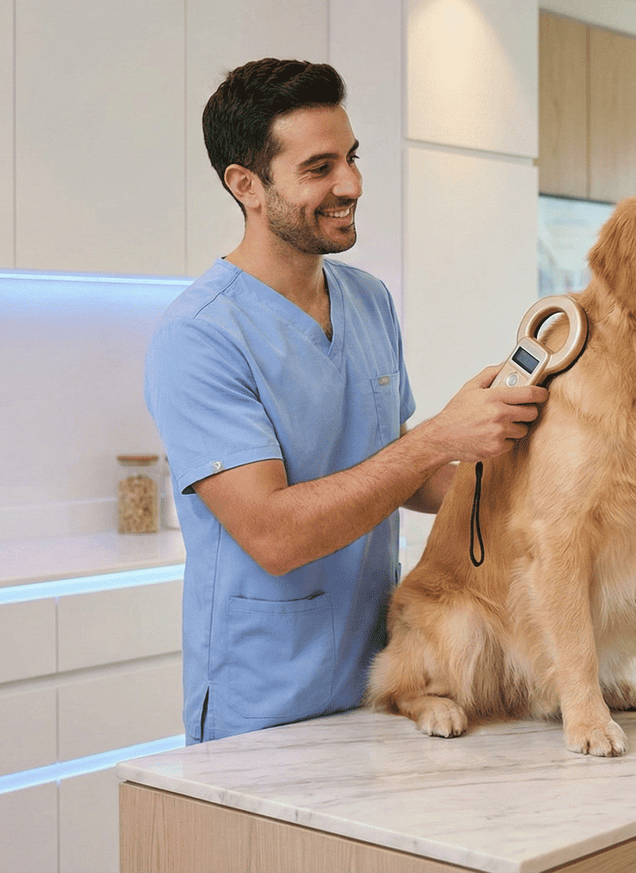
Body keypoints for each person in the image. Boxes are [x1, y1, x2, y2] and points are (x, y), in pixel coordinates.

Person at [144, 58, 547, 744]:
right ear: (245, 185)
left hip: (387, 679)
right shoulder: (199, 337)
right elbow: (273, 535)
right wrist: (439, 437)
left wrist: (520, 472)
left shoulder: (368, 300)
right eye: (319, 167)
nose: (351, 184)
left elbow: (410, 474)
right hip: (264, 700)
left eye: (352, 158)